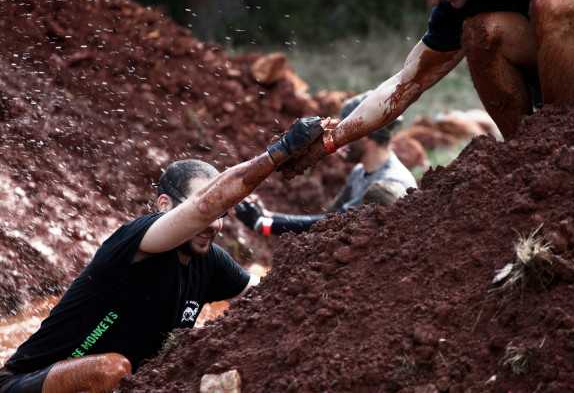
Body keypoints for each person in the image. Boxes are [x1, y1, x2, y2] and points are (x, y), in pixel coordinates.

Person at [0, 116, 334, 393]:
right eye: (207, 211)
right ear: (165, 206)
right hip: (26, 384)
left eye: (222, 214)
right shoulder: (136, 238)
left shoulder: (211, 261)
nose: (214, 224)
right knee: (111, 370)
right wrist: (278, 153)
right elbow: (205, 206)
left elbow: (274, 294)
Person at [317, 0, 574, 154]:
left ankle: (562, 144)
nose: (435, 2)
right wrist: (332, 140)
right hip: (566, 77)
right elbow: (406, 82)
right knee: (480, 33)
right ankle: (530, 156)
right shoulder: (456, 5)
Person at [234, 92, 417, 236]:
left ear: (366, 133)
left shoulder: (392, 183)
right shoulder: (360, 172)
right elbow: (330, 219)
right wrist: (268, 216)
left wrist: (264, 225)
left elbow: (334, 225)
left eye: (347, 131)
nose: (340, 140)